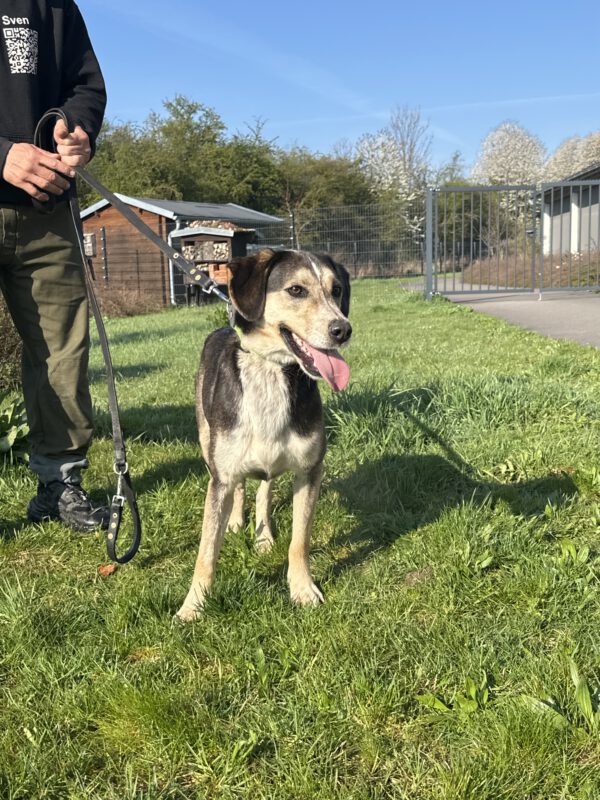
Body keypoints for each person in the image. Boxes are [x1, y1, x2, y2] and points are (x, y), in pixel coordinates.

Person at [0, 1, 109, 532]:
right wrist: (1, 154)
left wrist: (78, 128)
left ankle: (59, 484)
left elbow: (85, 86)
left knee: (62, 350)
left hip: (48, 208)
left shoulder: (56, 4)